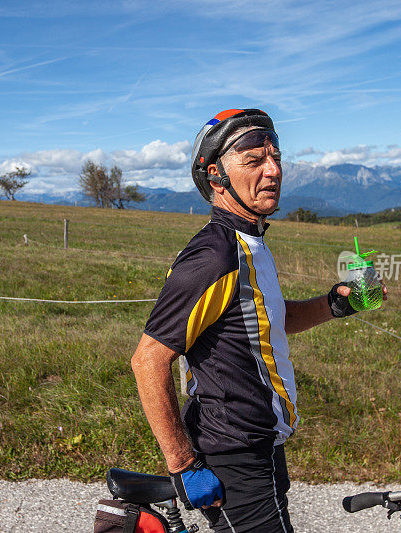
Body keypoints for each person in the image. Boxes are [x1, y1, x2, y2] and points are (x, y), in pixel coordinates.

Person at [130, 109, 387, 532]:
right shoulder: (215, 256)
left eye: (276, 157)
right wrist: (182, 464)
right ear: (216, 175)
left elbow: (269, 320)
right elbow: (148, 360)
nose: (273, 170)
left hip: (260, 448)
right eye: (254, 161)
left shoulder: (251, 244)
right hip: (231, 456)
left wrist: (336, 304)